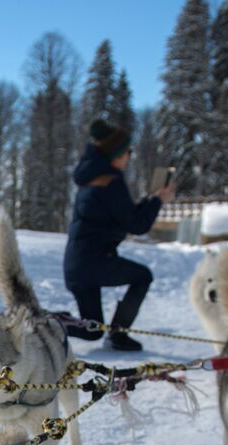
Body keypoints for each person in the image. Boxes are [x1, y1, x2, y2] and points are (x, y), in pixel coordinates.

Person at [63, 120, 175, 352]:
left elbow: (126, 216)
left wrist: (151, 200)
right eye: (128, 152)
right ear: (116, 154)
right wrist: (158, 201)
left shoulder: (92, 179)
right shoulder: (111, 182)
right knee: (142, 276)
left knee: (91, 330)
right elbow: (137, 225)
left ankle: (48, 322)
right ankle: (118, 335)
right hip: (94, 262)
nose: (129, 157)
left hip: (78, 264)